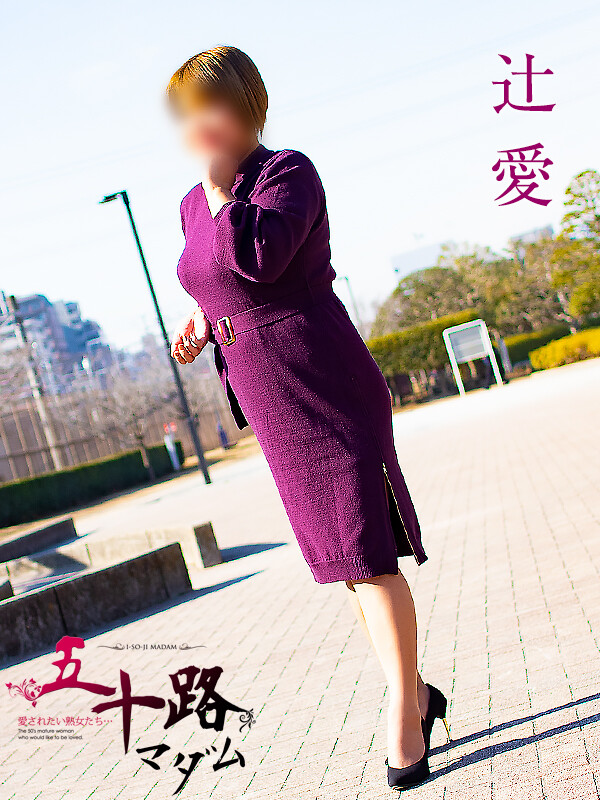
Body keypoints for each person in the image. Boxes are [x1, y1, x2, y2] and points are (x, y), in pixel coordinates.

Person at [167, 45, 449, 790]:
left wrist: (221, 192)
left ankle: (404, 713)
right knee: (345, 564)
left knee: (369, 553)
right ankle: (418, 692)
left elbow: (260, 258)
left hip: (327, 383)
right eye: (187, 113)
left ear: (244, 106)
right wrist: (202, 321)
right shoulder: (192, 203)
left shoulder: (286, 172)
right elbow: (215, 278)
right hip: (272, 401)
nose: (197, 124)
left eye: (208, 107)